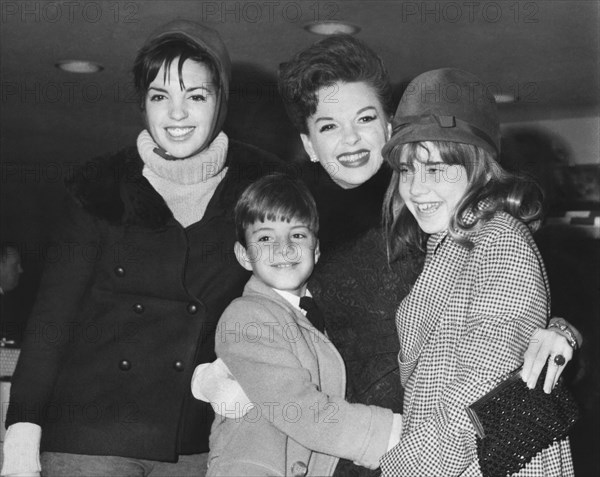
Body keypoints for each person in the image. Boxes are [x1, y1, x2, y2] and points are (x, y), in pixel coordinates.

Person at [277, 35, 581, 476]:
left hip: (450, 451)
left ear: (388, 128)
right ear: (307, 143)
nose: (350, 139)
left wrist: (566, 333)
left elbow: (529, 309)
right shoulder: (290, 228)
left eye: (364, 118)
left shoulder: (446, 212)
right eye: (328, 126)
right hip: (361, 446)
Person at [1, 20, 279, 477]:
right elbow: (52, 318)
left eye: (196, 95)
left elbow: (284, 297)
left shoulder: (259, 188)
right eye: (159, 96)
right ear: (142, 104)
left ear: (220, 101)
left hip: (194, 442)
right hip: (88, 439)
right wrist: (22, 430)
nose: (177, 113)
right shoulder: (99, 186)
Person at [379, 67, 574, 476]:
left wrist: (405, 469)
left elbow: (482, 385)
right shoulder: (452, 244)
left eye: (434, 169)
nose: (415, 188)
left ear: (479, 168)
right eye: (406, 169)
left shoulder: (499, 237)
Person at [193, 173, 401, 476]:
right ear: (244, 255)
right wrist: (390, 431)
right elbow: (299, 409)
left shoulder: (317, 314)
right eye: (265, 238)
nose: (284, 248)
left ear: (316, 249)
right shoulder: (247, 315)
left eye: (298, 235)